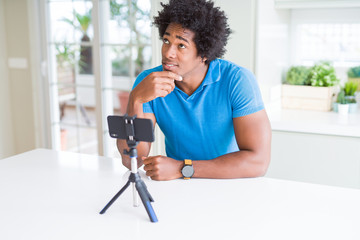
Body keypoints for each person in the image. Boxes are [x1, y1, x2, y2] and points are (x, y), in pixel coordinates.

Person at [117, 0, 271, 181]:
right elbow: (131, 160)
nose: (168, 53)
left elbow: (258, 162)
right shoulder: (149, 82)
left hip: (229, 183)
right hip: (179, 187)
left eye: (181, 45)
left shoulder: (237, 80)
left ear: (205, 54)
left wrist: (182, 168)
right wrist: (136, 99)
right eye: (166, 41)